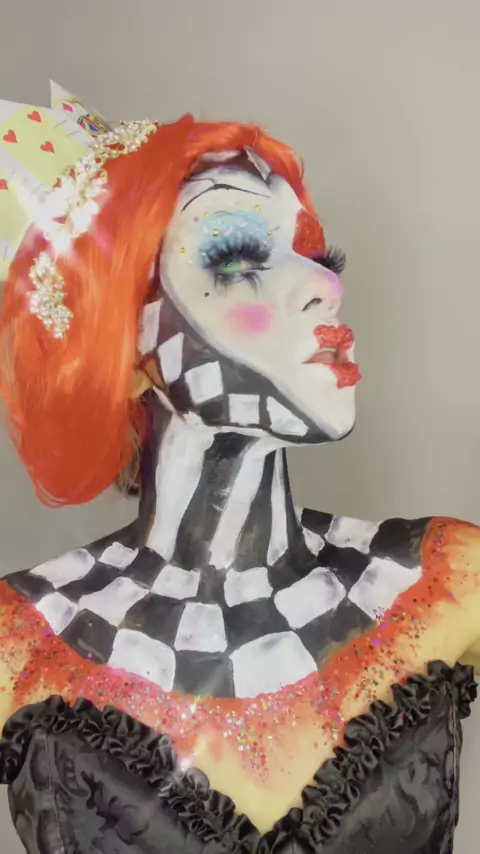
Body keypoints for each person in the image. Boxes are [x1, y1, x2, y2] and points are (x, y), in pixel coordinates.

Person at [0, 83, 478, 854]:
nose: (324, 284)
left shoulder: (444, 583)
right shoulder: (22, 639)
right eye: (235, 257)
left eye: (316, 257)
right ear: (119, 345)